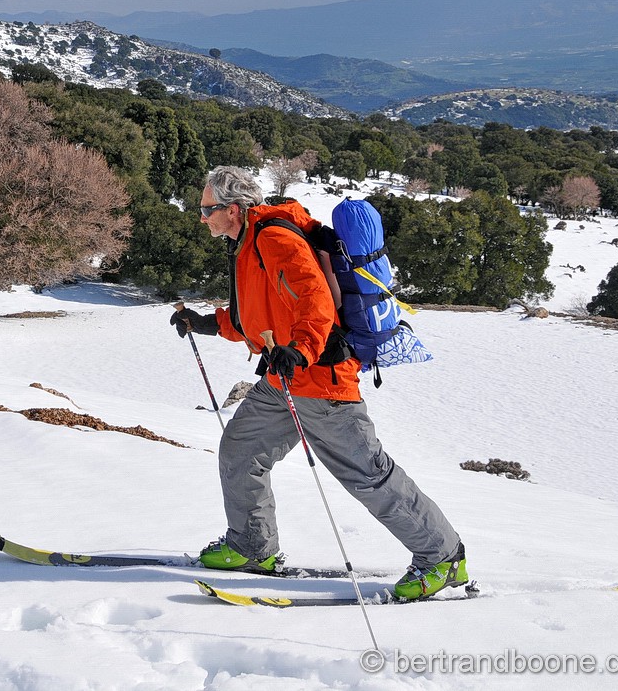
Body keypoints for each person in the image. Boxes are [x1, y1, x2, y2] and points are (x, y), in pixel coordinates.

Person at [169, 166, 467, 599]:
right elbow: (258, 312)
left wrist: (303, 350)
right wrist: (208, 323)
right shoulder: (248, 241)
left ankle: (443, 558)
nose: (202, 218)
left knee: (367, 474)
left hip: (322, 381)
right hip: (282, 380)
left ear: (232, 210)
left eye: (206, 210)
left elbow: (316, 300)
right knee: (241, 450)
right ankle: (252, 546)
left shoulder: (274, 237)